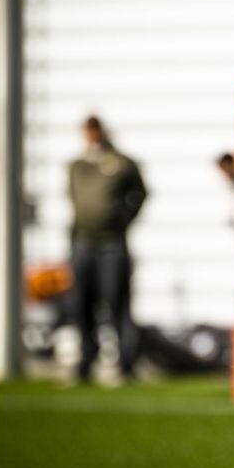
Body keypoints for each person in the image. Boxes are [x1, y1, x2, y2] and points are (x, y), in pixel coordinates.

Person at [67, 115, 148, 384]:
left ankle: (125, 363)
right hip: (82, 242)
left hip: (112, 244)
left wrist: (121, 219)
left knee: (117, 302)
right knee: (82, 305)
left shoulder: (121, 163)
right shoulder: (77, 166)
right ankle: (86, 362)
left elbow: (140, 194)